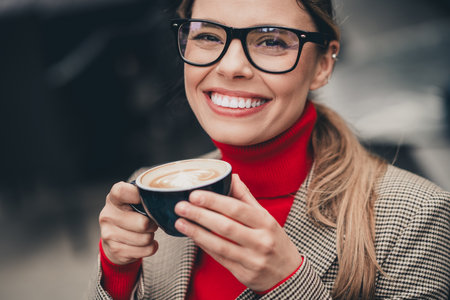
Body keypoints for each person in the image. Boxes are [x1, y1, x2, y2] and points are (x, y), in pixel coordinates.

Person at [90, 0, 450, 299]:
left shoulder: (416, 219)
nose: (231, 67)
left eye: (272, 41)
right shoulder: (149, 197)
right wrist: (118, 274)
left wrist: (288, 282)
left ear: (323, 65)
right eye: (209, 36)